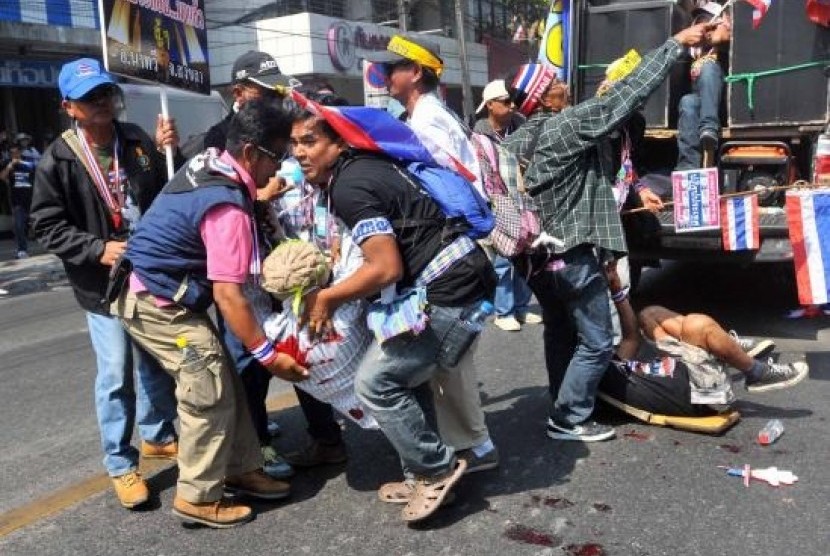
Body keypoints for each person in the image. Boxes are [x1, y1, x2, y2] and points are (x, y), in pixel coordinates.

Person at [501, 23, 712, 443]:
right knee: (597, 341)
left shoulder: (516, 140)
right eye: (557, 82)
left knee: (560, 332)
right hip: (573, 255)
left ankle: (563, 403)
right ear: (544, 97)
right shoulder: (563, 128)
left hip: (538, 261)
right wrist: (674, 45)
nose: (564, 85)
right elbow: (626, 95)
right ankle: (569, 417)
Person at [290, 104, 496, 522]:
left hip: (451, 288)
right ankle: (422, 471)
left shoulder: (349, 185)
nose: (299, 152)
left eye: (310, 141)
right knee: (407, 376)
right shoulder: (366, 166)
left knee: (377, 382)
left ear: (339, 141)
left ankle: (436, 470)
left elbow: (385, 267)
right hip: (457, 276)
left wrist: (328, 297)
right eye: (294, 143)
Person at [112, 101, 308, 528]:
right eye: (278, 157)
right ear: (252, 152)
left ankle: (239, 468)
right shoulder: (226, 206)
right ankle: (198, 496)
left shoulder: (213, 163)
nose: (279, 169)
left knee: (224, 378)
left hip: (162, 291)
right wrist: (270, 354)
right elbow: (229, 296)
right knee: (206, 385)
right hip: (153, 299)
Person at [29, 58, 179, 509]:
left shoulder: (134, 139)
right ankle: (120, 463)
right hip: (102, 285)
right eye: (90, 98)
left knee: (153, 361)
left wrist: (168, 150)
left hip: (147, 273)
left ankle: (155, 434)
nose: (101, 104)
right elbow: (45, 225)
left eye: (106, 94)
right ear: (68, 107)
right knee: (116, 374)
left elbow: (164, 190)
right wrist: (97, 249)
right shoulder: (57, 159)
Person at [368, 34, 499, 472]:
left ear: (417, 73)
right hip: (449, 244)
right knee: (446, 351)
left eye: (393, 69)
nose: (386, 76)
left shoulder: (428, 121)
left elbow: (439, 191)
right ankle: (465, 440)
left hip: (452, 245)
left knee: (450, 351)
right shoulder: (419, 115)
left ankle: (474, 446)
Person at [203, 50, 300, 480]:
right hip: (238, 269)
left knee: (291, 343)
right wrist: (260, 194)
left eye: (277, 90)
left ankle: (304, 433)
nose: (275, 97)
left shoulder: (280, 126)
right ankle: (254, 444)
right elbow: (218, 199)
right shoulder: (216, 137)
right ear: (239, 93)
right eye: (265, 91)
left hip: (278, 259)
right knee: (247, 356)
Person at [602, 262, 809, 417]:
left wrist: (616, 290)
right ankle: (756, 371)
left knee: (649, 314)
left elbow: (631, 337)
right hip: (699, 392)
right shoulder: (602, 376)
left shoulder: (612, 361)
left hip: (679, 364)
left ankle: (727, 345)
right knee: (697, 325)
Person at [473, 79, 540, 332]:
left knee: (527, 255)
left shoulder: (520, 126)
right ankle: (504, 311)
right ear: (490, 105)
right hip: (497, 199)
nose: (512, 106)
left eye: (513, 101)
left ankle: (522, 308)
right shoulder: (479, 134)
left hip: (525, 198)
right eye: (505, 101)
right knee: (503, 257)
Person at [676, 1, 731, 170]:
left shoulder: (720, 46)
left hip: (719, 105)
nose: (702, 25)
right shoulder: (694, 53)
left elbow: (722, 35)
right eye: (699, 22)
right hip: (699, 103)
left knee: (708, 68)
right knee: (687, 101)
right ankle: (687, 167)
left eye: (706, 21)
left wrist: (712, 32)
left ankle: (708, 127)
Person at [1, 145, 36, 258]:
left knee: (38, 223)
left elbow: (35, 169)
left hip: (31, 199)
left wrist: (20, 162)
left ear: (20, 152)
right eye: (12, 153)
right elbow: (2, 176)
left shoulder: (27, 163)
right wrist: (11, 165)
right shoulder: (9, 165)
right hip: (17, 201)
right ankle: (22, 250)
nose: (14, 155)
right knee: (19, 226)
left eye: (16, 152)